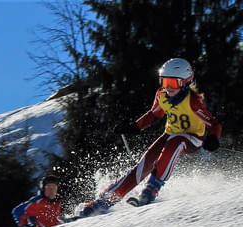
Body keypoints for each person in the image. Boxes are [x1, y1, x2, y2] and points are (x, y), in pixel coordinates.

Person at [80, 58, 222, 216]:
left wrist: (214, 138)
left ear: (185, 82)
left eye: (173, 83)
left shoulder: (193, 101)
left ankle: (152, 188)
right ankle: (103, 201)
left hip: (193, 138)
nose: (168, 87)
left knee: (176, 141)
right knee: (144, 163)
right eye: (164, 82)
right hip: (170, 134)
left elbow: (214, 124)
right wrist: (134, 127)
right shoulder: (162, 95)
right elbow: (154, 114)